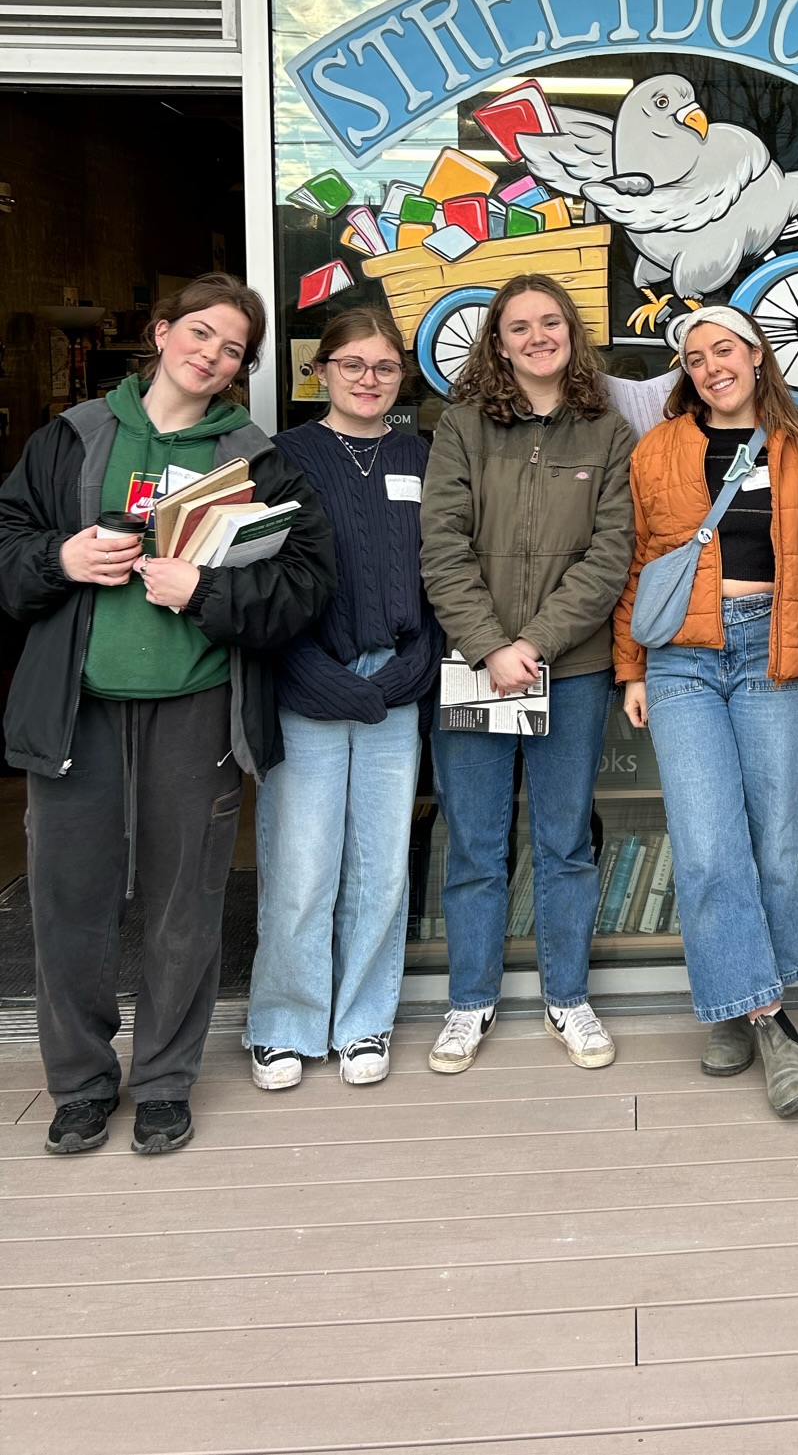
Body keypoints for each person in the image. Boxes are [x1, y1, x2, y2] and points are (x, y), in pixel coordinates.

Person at [0, 276, 335, 1157]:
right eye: (201, 333)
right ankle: (78, 1085)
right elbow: (7, 552)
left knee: (184, 906)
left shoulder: (257, 459)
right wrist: (61, 556)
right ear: (160, 332)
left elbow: (303, 584)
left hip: (197, 711)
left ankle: (161, 1082)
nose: (213, 355)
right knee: (69, 905)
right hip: (80, 713)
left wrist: (210, 592)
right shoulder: (71, 440)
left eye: (233, 349)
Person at [614, 306, 798, 1118]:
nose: (711, 365)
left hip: (777, 651)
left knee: (775, 844)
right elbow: (642, 559)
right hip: (683, 658)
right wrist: (630, 666)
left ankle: (736, 1004)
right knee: (707, 846)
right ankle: (773, 1024)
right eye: (696, 356)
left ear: (759, 354)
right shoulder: (659, 448)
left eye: (724, 349)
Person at [419, 274, 635, 1074]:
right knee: (474, 841)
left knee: (564, 840)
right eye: (519, 325)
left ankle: (566, 997)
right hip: (472, 663)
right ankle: (469, 1001)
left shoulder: (607, 432)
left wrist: (535, 642)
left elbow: (611, 554)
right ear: (498, 340)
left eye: (551, 322)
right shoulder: (462, 426)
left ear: (572, 334)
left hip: (569, 668)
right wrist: (489, 644)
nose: (537, 335)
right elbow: (441, 545)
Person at [244, 309, 442, 1092]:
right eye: (352, 364)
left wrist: (414, 665)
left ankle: (364, 1020)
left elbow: (442, 572)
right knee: (300, 868)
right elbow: (257, 579)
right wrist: (305, 669)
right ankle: (285, 1024)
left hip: (396, 683)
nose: (368, 379)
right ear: (319, 370)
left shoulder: (421, 455)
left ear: (402, 376)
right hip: (305, 681)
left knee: (381, 868)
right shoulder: (280, 457)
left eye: (385, 366)